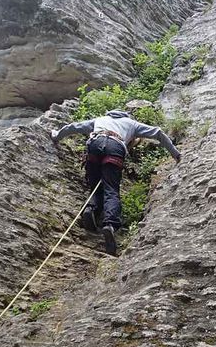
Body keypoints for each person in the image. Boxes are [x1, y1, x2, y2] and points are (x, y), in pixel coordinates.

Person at [51, 103, 181, 256]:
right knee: (111, 189)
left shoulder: (100, 119)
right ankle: (110, 225)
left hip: (95, 143)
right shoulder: (131, 123)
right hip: (115, 147)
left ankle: (90, 209)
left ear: (111, 113)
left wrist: (56, 135)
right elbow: (157, 132)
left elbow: (74, 127)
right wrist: (176, 154)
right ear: (126, 116)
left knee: (95, 186)